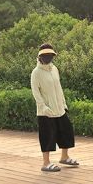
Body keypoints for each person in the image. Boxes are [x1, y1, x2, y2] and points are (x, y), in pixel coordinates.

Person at [30, 43, 79, 172]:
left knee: (66, 131)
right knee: (47, 136)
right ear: (40, 57)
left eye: (50, 55)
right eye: (45, 55)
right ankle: (46, 163)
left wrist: (64, 104)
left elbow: (59, 88)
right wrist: (43, 107)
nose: (48, 57)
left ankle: (64, 156)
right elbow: (36, 92)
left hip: (60, 109)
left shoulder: (54, 69)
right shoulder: (36, 73)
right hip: (46, 112)